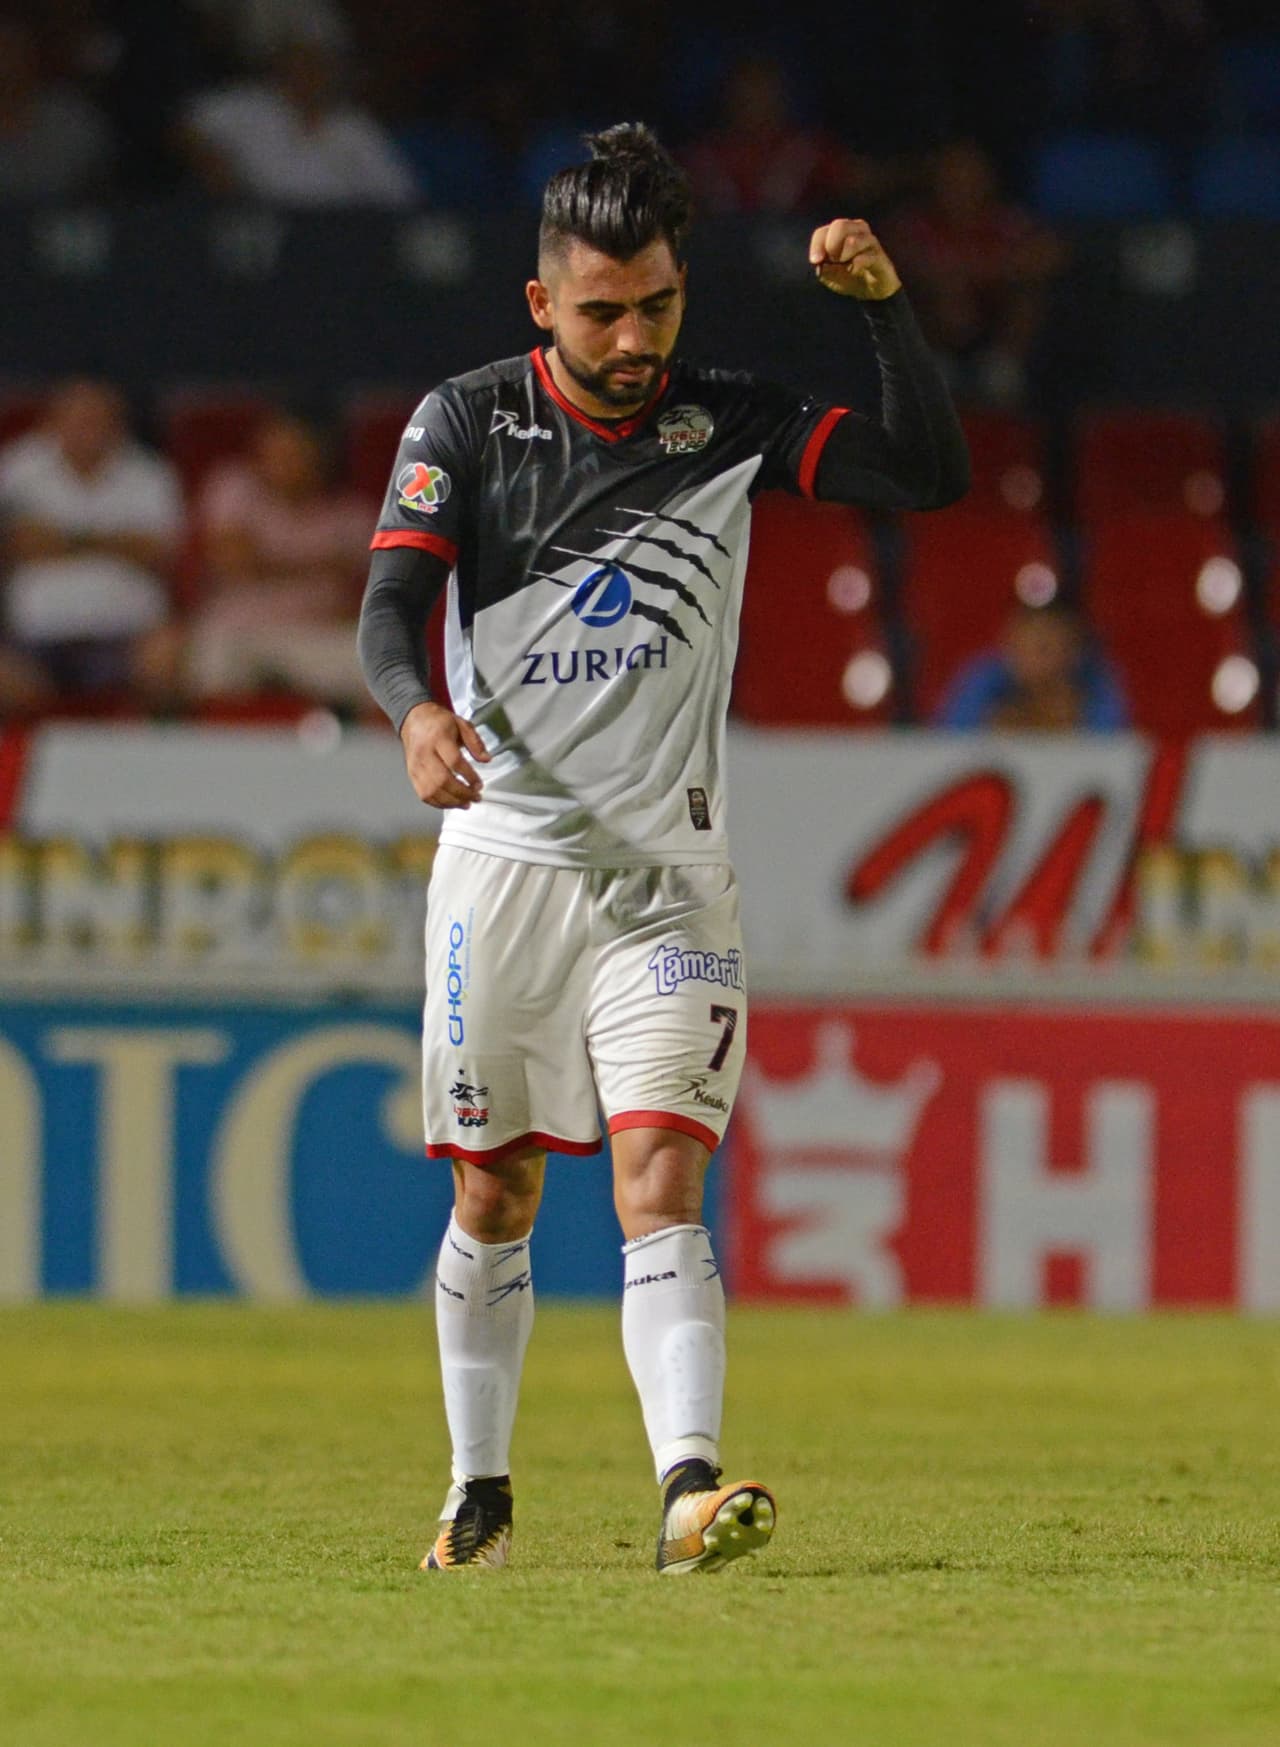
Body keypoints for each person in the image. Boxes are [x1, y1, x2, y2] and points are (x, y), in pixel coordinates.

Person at [357, 123, 968, 1576]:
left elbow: (925, 476)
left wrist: (883, 307)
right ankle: (480, 1489)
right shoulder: (464, 424)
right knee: (494, 1193)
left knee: (658, 1181)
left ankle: (687, 1487)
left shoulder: (729, 421)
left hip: (667, 886)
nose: (635, 341)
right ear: (540, 305)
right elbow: (390, 606)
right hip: (499, 871)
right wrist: (415, 709)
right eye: (602, 312)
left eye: (659, 307)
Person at [0, 379, 183, 704]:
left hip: (127, 634)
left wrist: (60, 539)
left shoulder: (150, 474)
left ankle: (156, 753)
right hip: (34, 637)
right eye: (76, 419)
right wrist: (115, 541)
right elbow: (18, 544)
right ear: (52, 422)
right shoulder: (18, 468)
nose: (86, 429)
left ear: (118, 425)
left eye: (97, 420)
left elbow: (153, 552)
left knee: (165, 659)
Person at [186, 410, 373, 705]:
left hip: (315, 633)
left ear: (320, 458)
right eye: (275, 452)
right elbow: (234, 561)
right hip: (240, 629)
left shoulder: (353, 515)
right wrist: (322, 565)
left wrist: (266, 560)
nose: (283, 463)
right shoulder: (235, 488)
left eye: (295, 454)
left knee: (372, 663)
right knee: (213, 658)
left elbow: (358, 593)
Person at [888, 139, 1066, 405]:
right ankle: (936, 370)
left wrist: (983, 275)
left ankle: (1003, 371)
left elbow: (1052, 254)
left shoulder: (1004, 222)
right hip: (935, 328)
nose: (960, 185)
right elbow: (898, 261)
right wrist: (946, 283)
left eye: (969, 175)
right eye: (951, 175)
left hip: (994, 325)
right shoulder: (914, 224)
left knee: (1027, 296)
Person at [177, 35, 416, 208]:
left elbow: (400, 196)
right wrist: (210, 161)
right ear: (281, 70)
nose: (309, 77)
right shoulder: (247, 107)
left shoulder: (353, 127)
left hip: (337, 233)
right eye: (300, 67)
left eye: (318, 69)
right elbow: (185, 127)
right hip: (264, 224)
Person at [935, 599, 1129, 731]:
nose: (1037, 657)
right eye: (1030, 644)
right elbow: (952, 738)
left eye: (1049, 645)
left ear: (1072, 649)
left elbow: (1110, 744)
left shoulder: (1096, 683)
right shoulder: (984, 676)